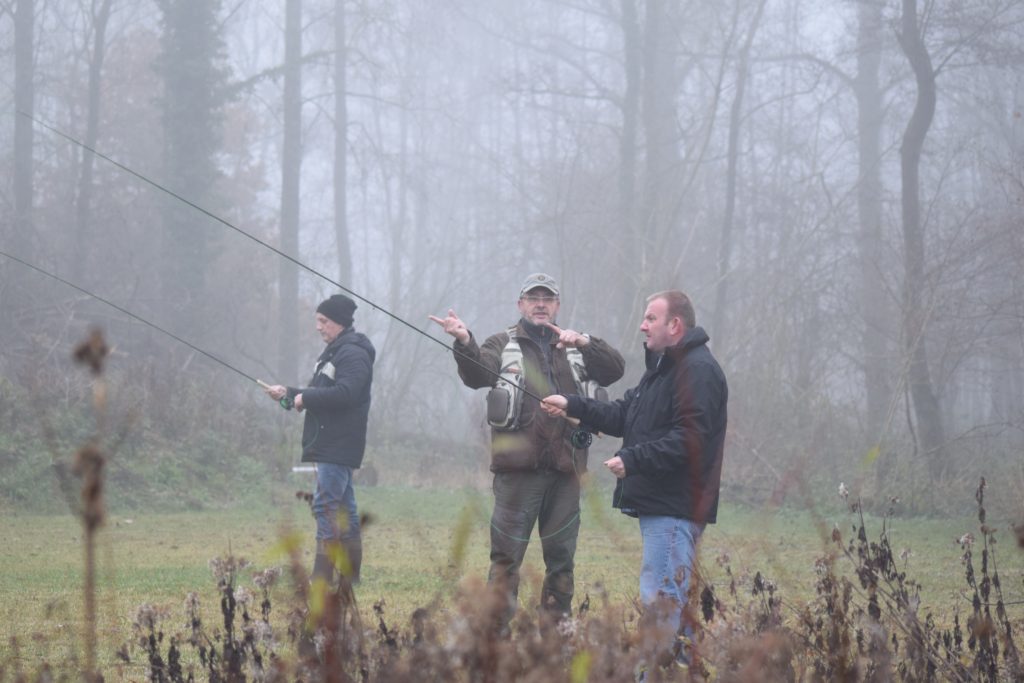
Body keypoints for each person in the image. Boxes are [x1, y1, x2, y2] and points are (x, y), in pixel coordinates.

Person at [541, 290, 727, 665]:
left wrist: (633, 458)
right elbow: (625, 414)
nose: (642, 325)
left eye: (650, 319)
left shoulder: (697, 371)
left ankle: (657, 674)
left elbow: (690, 439)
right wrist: (572, 405)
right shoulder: (665, 369)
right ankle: (679, 671)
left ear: (675, 325)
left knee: (662, 603)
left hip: (675, 508)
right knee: (674, 603)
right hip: (663, 507)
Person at [429, 273, 625, 624]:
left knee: (562, 560)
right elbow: (478, 374)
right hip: (517, 475)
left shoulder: (575, 347)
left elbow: (615, 368)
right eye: (533, 298)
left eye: (547, 299)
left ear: (557, 306)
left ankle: (554, 639)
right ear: (520, 305)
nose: (540, 304)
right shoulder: (501, 342)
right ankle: (497, 640)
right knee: (506, 560)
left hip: (566, 474)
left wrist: (582, 341)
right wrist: (463, 341)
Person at [264, 293, 375, 587]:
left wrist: (305, 397)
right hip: (331, 443)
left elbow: (347, 393)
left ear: (338, 322)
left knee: (325, 506)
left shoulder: (352, 353)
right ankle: (351, 577)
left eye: (323, 321)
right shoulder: (334, 352)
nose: (318, 327)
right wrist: (288, 393)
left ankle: (321, 577)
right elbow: (319, 394)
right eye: (317, 320)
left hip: (339, 444)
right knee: (345, 509)